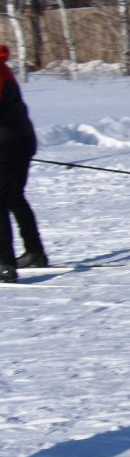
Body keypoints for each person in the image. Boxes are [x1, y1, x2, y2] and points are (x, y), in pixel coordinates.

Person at [0, 44, 48, 282]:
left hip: (6, 144)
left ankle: (4, 264)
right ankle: (35, 252)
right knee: (13, 197)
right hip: (21, 139)